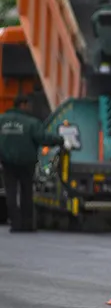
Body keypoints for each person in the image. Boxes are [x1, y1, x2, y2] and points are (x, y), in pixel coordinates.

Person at [0, 97, 64, 232]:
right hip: (26, 163)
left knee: (11, 193)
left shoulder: (2, 120)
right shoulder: (31, 123)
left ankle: (15, 224)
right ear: (23, 105)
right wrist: (60, 140)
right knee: (26, 192)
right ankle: (26, 224)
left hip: (7, 163)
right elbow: (43, 138)